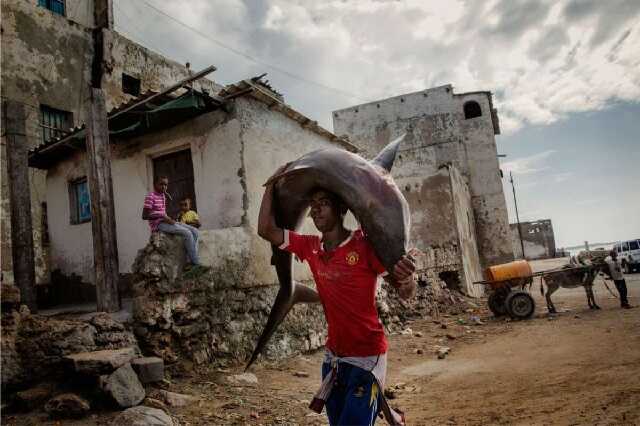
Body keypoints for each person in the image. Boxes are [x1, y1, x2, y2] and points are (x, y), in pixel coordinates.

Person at [257, 176, 416, 426]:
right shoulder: (309, 247)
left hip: (367, 356)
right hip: (334, 360)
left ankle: (382, 406)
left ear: (341, 209)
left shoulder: (365, 246)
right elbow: (265, 229)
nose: (316, 209)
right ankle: (391, 414)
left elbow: (405, 293)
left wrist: (407, 279)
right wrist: (270, 185)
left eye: (324, 202)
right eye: (313, 204)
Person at [142, 176, 201, 267]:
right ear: (155, 184)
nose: (164, 187)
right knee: (187, 233)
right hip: (158, 224)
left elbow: (164, 212)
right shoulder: (150, 197)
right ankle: (196, 263)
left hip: (165, 221)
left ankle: (191, 260)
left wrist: (170, 218)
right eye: (161, 184)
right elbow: (145, 216)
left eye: (166, 184)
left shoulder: (163, 196)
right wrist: (162, 216)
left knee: (195, 231)